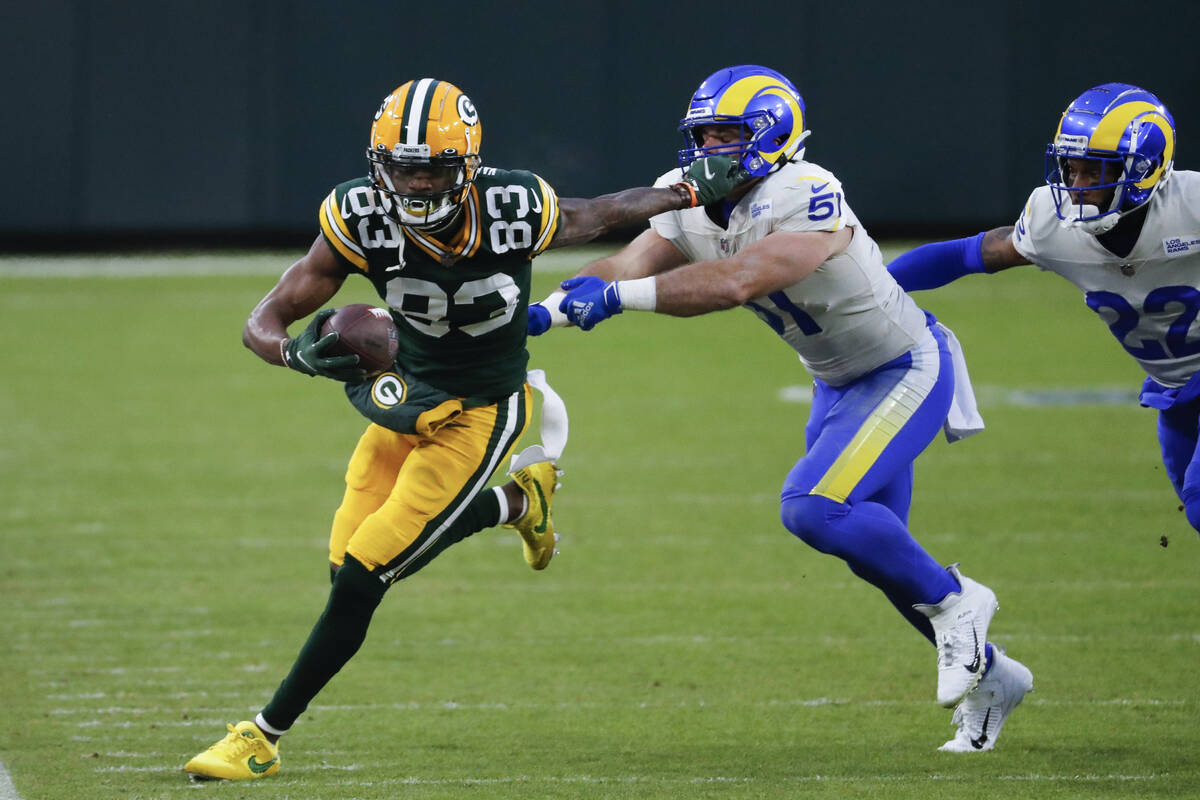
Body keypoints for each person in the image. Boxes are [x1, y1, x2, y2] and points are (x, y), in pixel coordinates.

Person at [182, 77, 744, 781]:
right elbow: (263, 319)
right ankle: (518, 501)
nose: (416, 185)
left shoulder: (511, 207)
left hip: (481, 408)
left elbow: (601, 213)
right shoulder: (357, 215)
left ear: (469, 166)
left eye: (434, 168)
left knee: (365, 578)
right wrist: (291, 353)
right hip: (404, 397)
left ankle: (261, 737)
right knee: (344, 569)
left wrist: (687, 191)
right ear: (376, 163)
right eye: (403, 167)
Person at [531, 65, 1033, 753]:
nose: (707, 150)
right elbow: (620, 266)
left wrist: (619, 302)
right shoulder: (689, 203)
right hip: (837, 384)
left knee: (813, 507)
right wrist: (548, 310)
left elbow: (741, 279)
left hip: (903, 367)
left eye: (725, 135)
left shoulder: (805, 189)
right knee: (879, 555)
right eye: (699, 135)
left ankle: (961, 601)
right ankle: (996, 677)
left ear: (770, 135)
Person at [888, 82, 1199, 546]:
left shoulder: (1191, 206)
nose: (1076, 187)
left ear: (1144, 170)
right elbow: (965, 255)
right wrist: (871, 289)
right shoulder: (1053, 226)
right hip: (1175, 395)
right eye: (1071, 170)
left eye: (1093, 172)